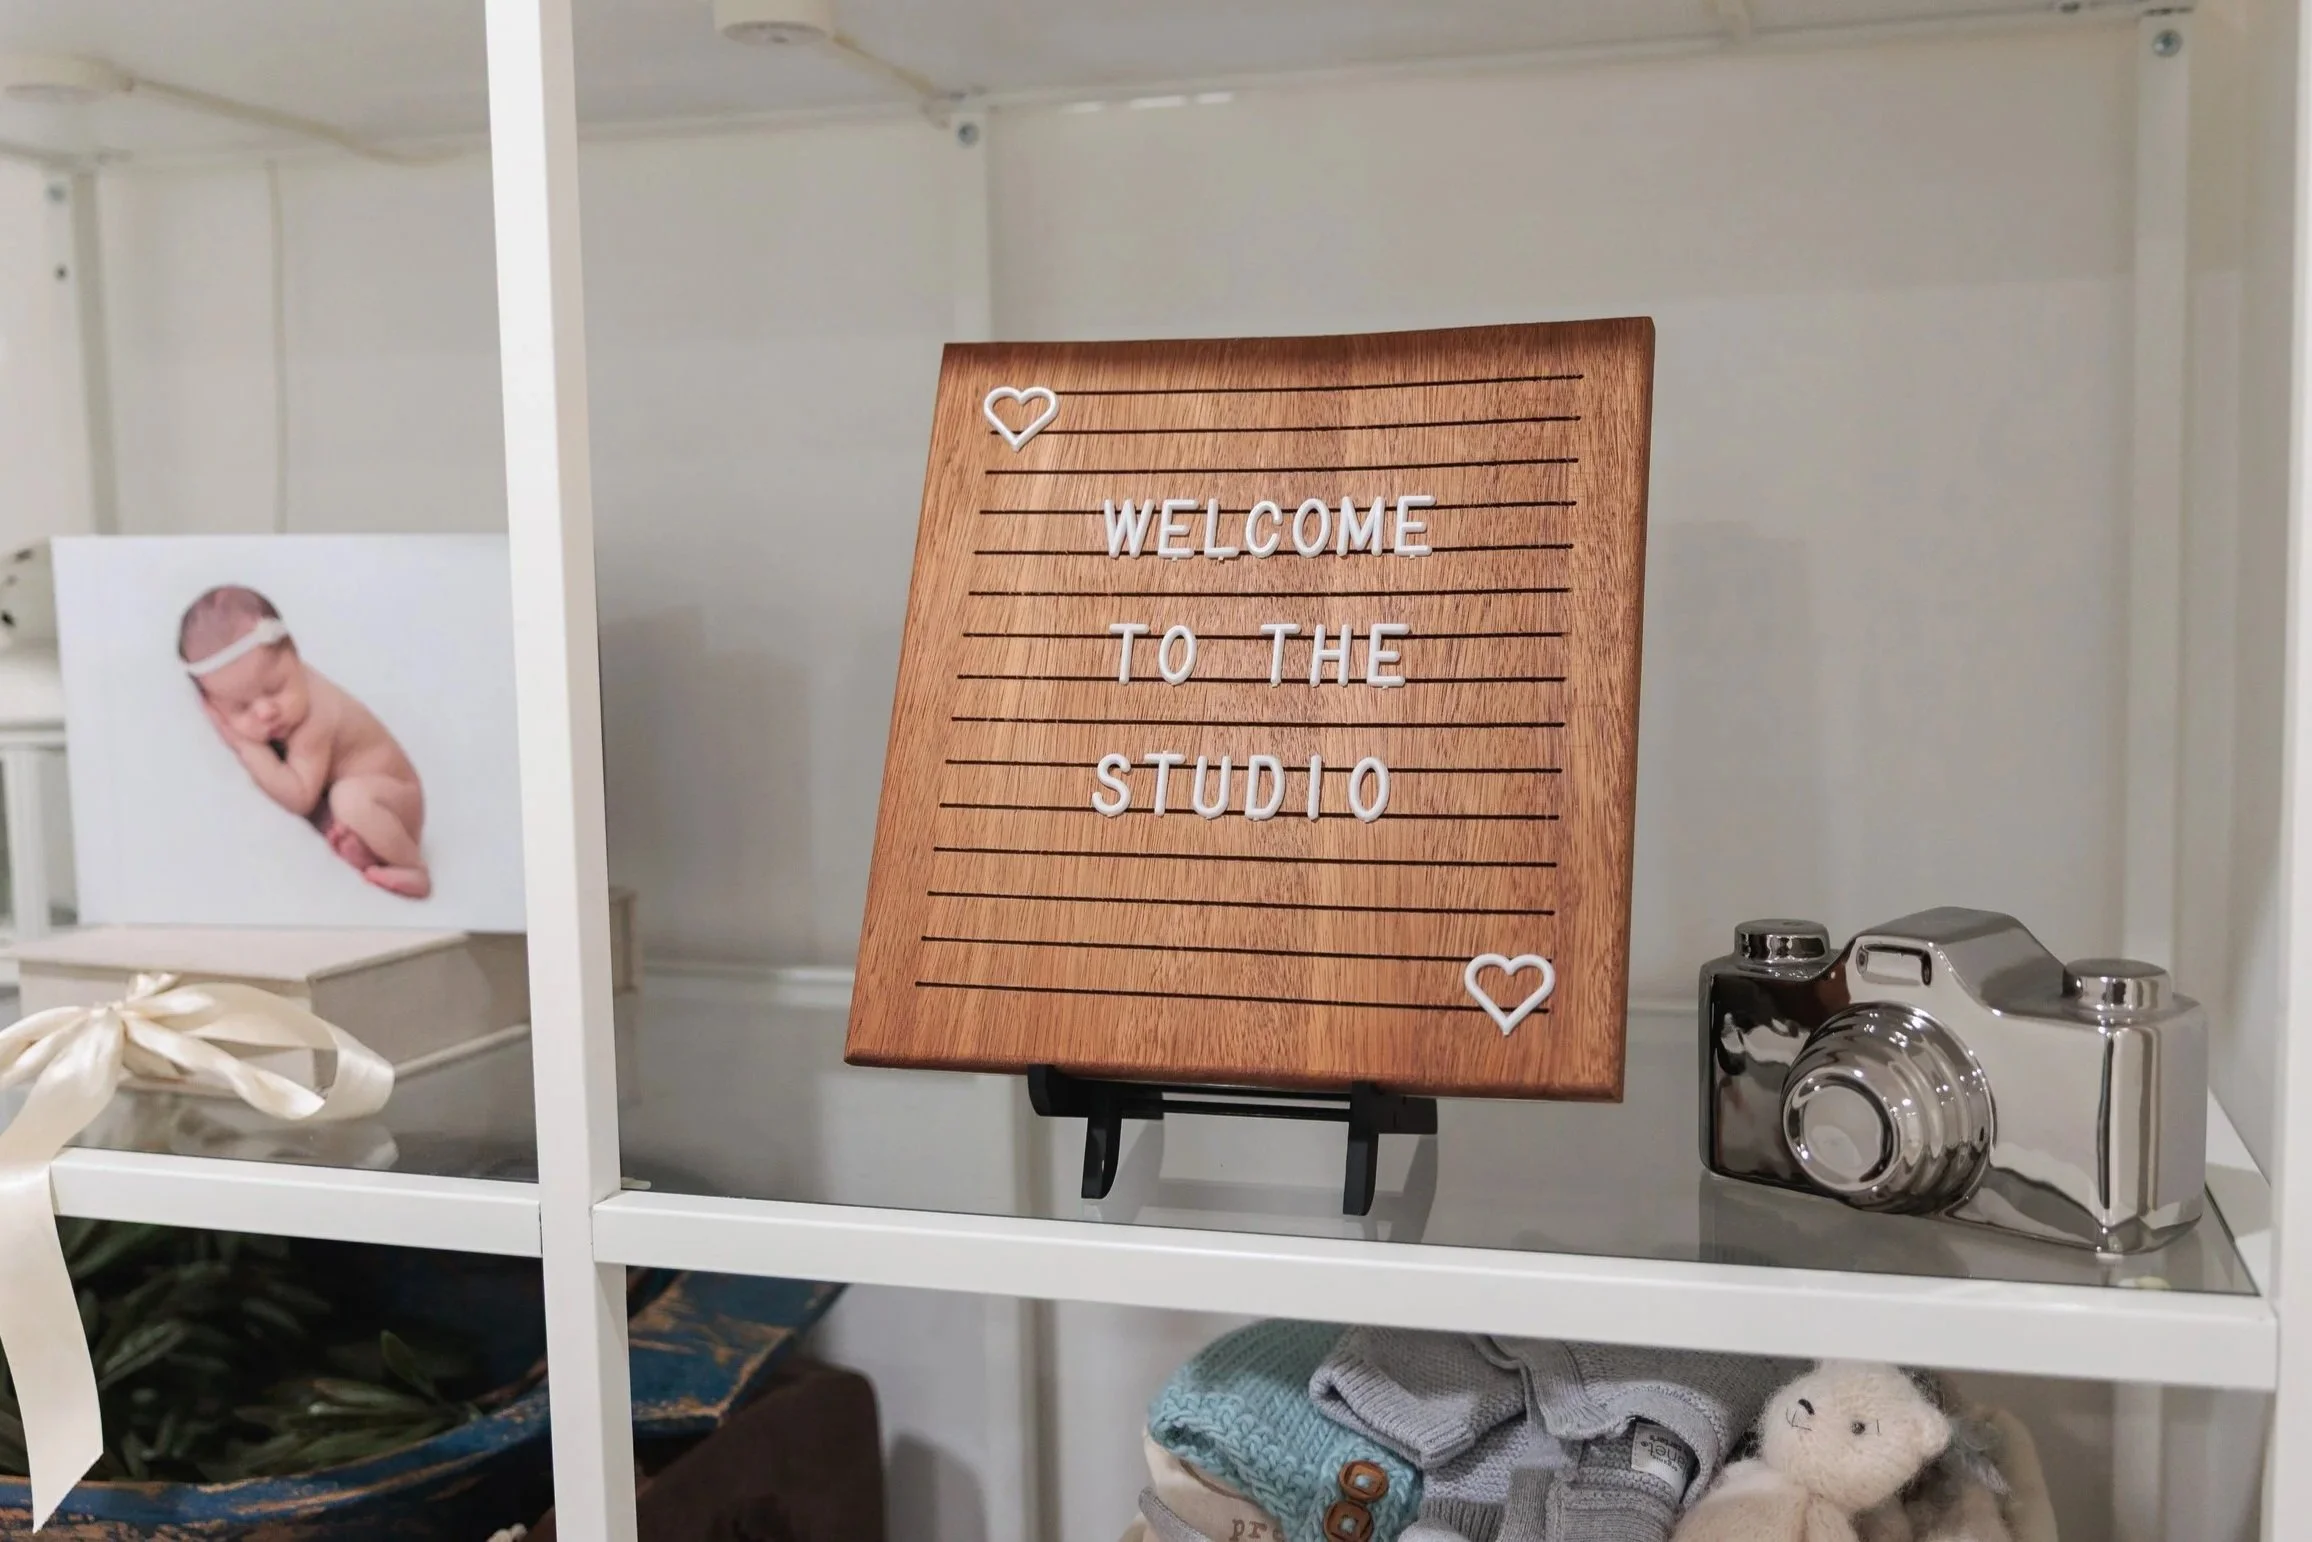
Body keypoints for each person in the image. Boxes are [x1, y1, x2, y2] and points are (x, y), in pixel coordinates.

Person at [180, 585, 431, 898]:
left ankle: (413, 866)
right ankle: (364, 846)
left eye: (275, 689)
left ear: (295, 656)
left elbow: (299, 797)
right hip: (368, 800)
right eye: (241, 708)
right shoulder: (282, 699)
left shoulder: (316, 718)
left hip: (396, 799)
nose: (265, 712)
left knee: (349, 798)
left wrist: (248, 748)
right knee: (336, 809)